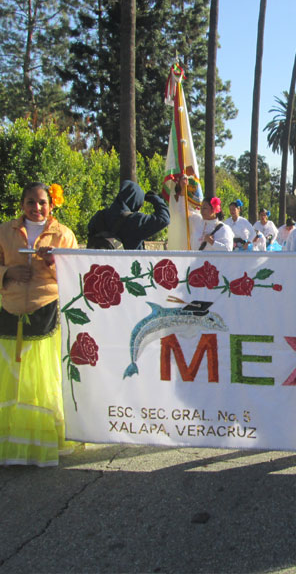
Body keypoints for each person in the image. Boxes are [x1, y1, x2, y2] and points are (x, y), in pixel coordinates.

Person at [0, 182, 80, 466]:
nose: (36, 208)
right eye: (31, 202)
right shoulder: (4, 231)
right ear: (22, 204)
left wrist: (53, 263)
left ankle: (44, 441)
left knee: (44, 380)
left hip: (45, 312)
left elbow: (76, 275)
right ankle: (11, 442)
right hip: (9, 311)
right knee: (11, 380)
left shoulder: (63, 234)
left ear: (51, 204)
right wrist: (8, 272)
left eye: (42, 202)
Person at [88, 180, 170, 250]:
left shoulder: (99, 216)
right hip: (129, 266)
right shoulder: (135, 221)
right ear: (136, 203)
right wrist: (155, 198)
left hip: (101, 266)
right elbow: (164, 219)